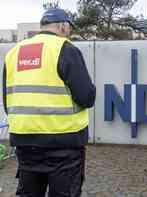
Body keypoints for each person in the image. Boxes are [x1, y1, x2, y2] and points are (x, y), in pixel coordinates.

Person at [3, 8, 96, 197]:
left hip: (24, 140)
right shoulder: (66, 49)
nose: (69, 31)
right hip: (63, 142)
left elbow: (8, 100)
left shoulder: (14, 52)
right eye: (69, 27)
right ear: (63, 25)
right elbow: (86, 97)